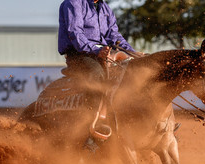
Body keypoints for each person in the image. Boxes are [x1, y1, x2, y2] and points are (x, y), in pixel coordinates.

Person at [58, 0, 142, 151]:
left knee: (133, 73)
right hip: (79, 55)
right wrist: (96, 50)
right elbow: (75, 33)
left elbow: (114, 36)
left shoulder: (105, 8)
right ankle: (92, 128)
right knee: (98, 76)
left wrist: (133, 53)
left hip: (102, 54)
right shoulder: (73, 3)